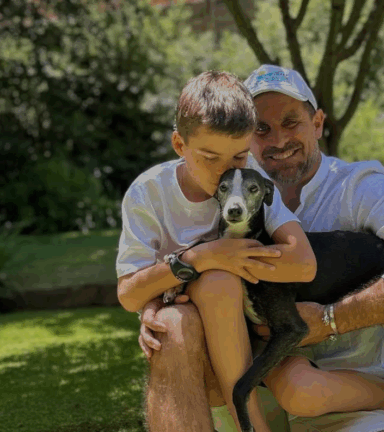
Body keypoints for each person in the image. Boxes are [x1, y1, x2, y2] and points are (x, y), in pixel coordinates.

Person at [131, 65, 384, 432]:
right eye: (261, 129)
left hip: (349, 395)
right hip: (255, 391)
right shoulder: (220, 190)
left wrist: (333, 319)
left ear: (318, 123)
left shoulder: (359, 186)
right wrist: (155, 305)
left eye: (291, 122)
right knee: (171, 327)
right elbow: (177, 263)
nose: (277, 139)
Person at [116, 70, 319, 432]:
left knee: (218, 284)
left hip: (242, 326)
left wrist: (221, 265)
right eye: (210, 157)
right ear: (180, 145)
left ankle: (249, 421)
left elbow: (303, 263)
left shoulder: (249, 180)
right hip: (185, 329)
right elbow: (129, 293)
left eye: (239, 157)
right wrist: (199, 259)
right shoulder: (148, 193)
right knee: (173, 322)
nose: (227, 172)